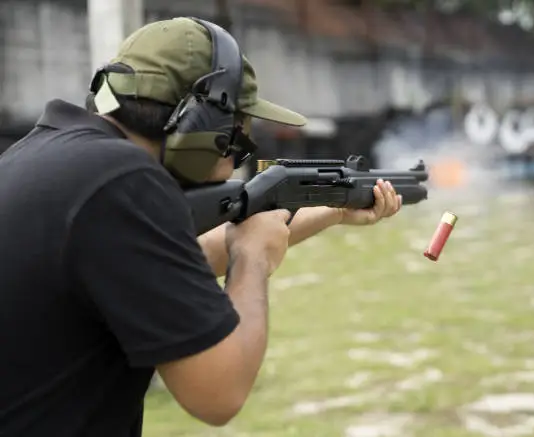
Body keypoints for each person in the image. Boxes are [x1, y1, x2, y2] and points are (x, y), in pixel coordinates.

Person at [0, 17, 402, 437]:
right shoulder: (124, 180)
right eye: (237, 141)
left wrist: (331, 209)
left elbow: (170, 260)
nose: (236, 158)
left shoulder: (46, 158)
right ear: (199, 126)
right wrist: (253, 261)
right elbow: (219, 393)